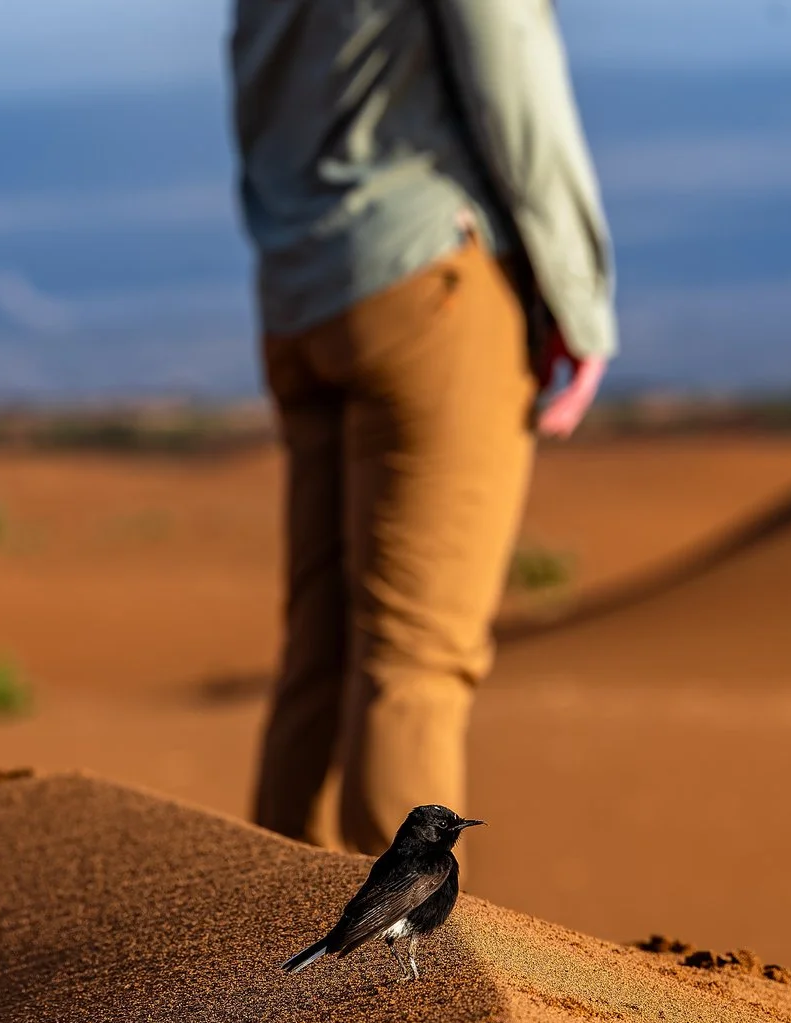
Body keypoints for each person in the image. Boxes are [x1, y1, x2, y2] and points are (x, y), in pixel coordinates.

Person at [233, 0, 615, 854]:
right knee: (414, 664)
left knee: (321, 656)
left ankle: (262, 962)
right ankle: (406, 984)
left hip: (300, 297)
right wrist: (578, 293)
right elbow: (507, 60)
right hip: (426, 279)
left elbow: (259, 90)